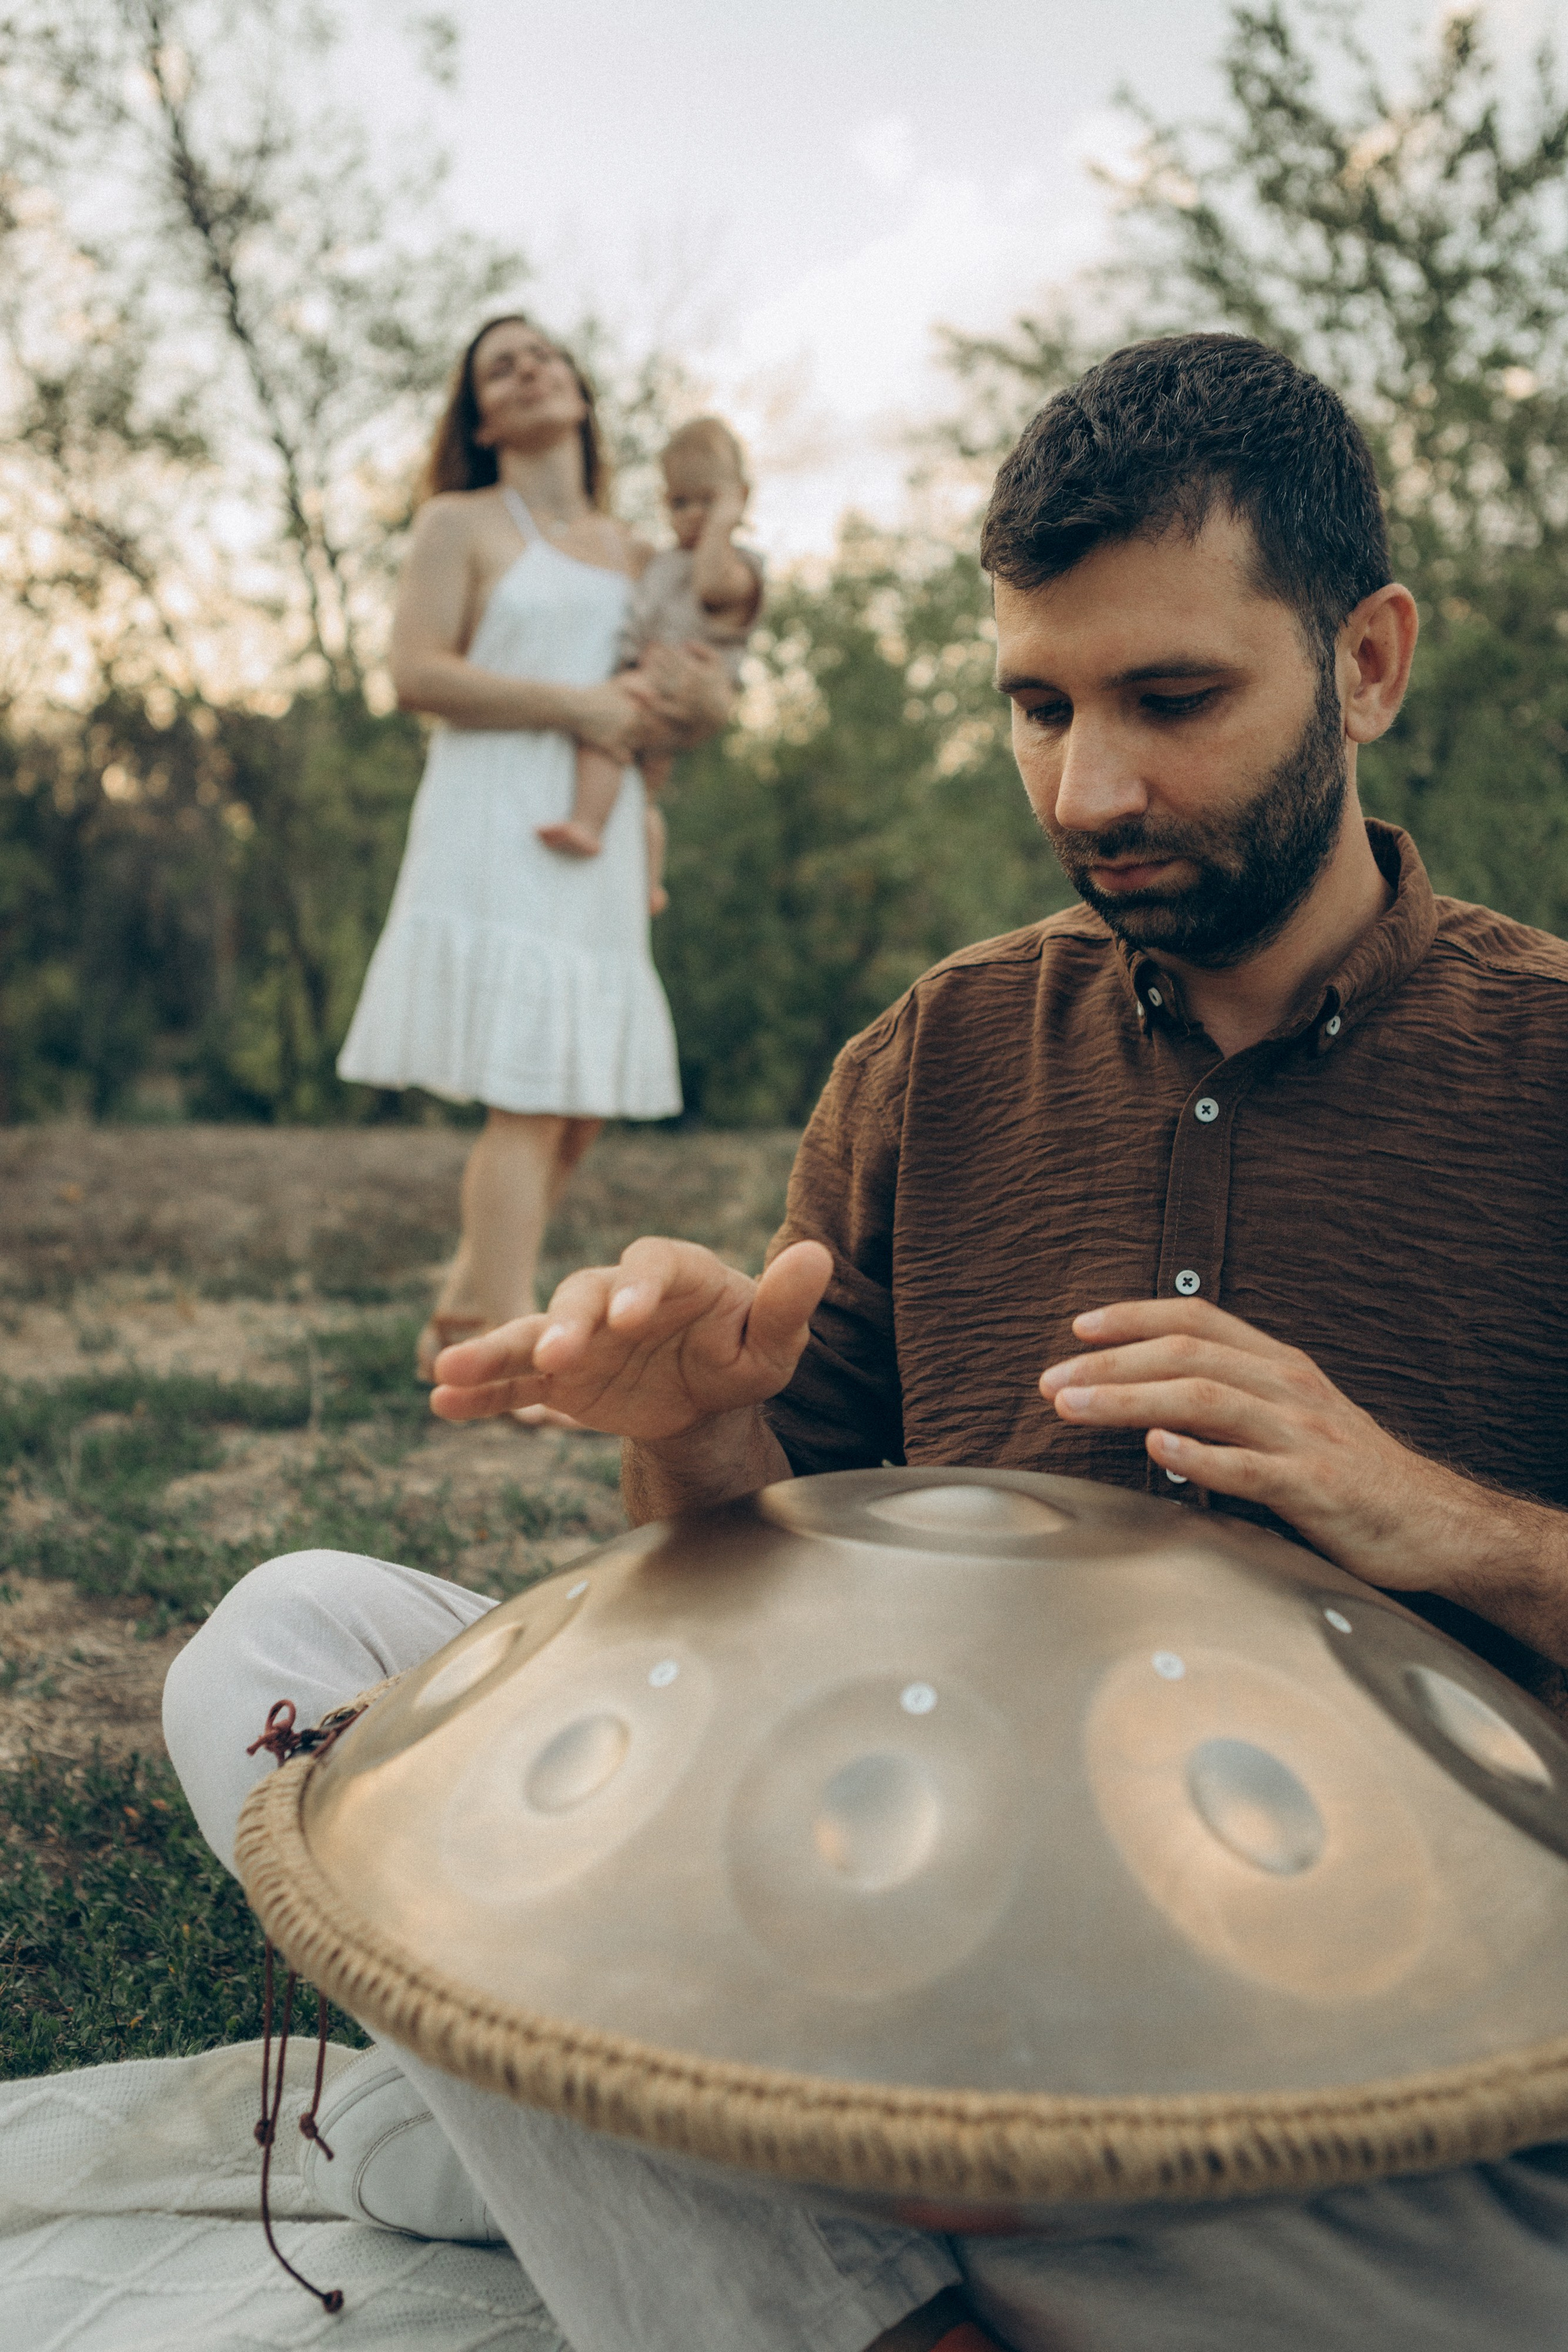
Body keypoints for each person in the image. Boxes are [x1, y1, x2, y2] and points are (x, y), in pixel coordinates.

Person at [167, 335, 1568, 2351]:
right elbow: (757, 1580)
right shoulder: (946, 1051)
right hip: (891, 1947)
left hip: (1357, 2054)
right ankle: (881, 2303)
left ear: (1366, 664)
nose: (1092, 789)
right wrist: (691, 1437)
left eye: (1174, 699)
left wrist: (1446, 1522)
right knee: (292, 1646)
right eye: (1038, 705)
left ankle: (658, 2196)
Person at [334, 315, 733, 1383]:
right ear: (479, 415)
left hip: (598, 840)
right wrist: (581, 709)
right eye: (498, 368)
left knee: (580, 1103)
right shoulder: (459, 524)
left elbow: (698, 686)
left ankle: (460, 1311)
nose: (527, 371)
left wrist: (699, 701)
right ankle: (504, 1347)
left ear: (580, 392)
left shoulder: (644, 552)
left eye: (543, 355)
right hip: (498, 816)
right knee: (533, 1087)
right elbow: (416, 674)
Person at [538, 415, 764, 916]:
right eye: (680, 502)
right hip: (648, 675)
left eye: (708, 499)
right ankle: (649, 884)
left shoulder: (741, 568)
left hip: (671, 686)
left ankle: (587, 824)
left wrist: (724, 523)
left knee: (604, 735)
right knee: (641, 794)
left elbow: (710, 587)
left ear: (738, 497)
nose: (693, 515)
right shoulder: (661, 562)